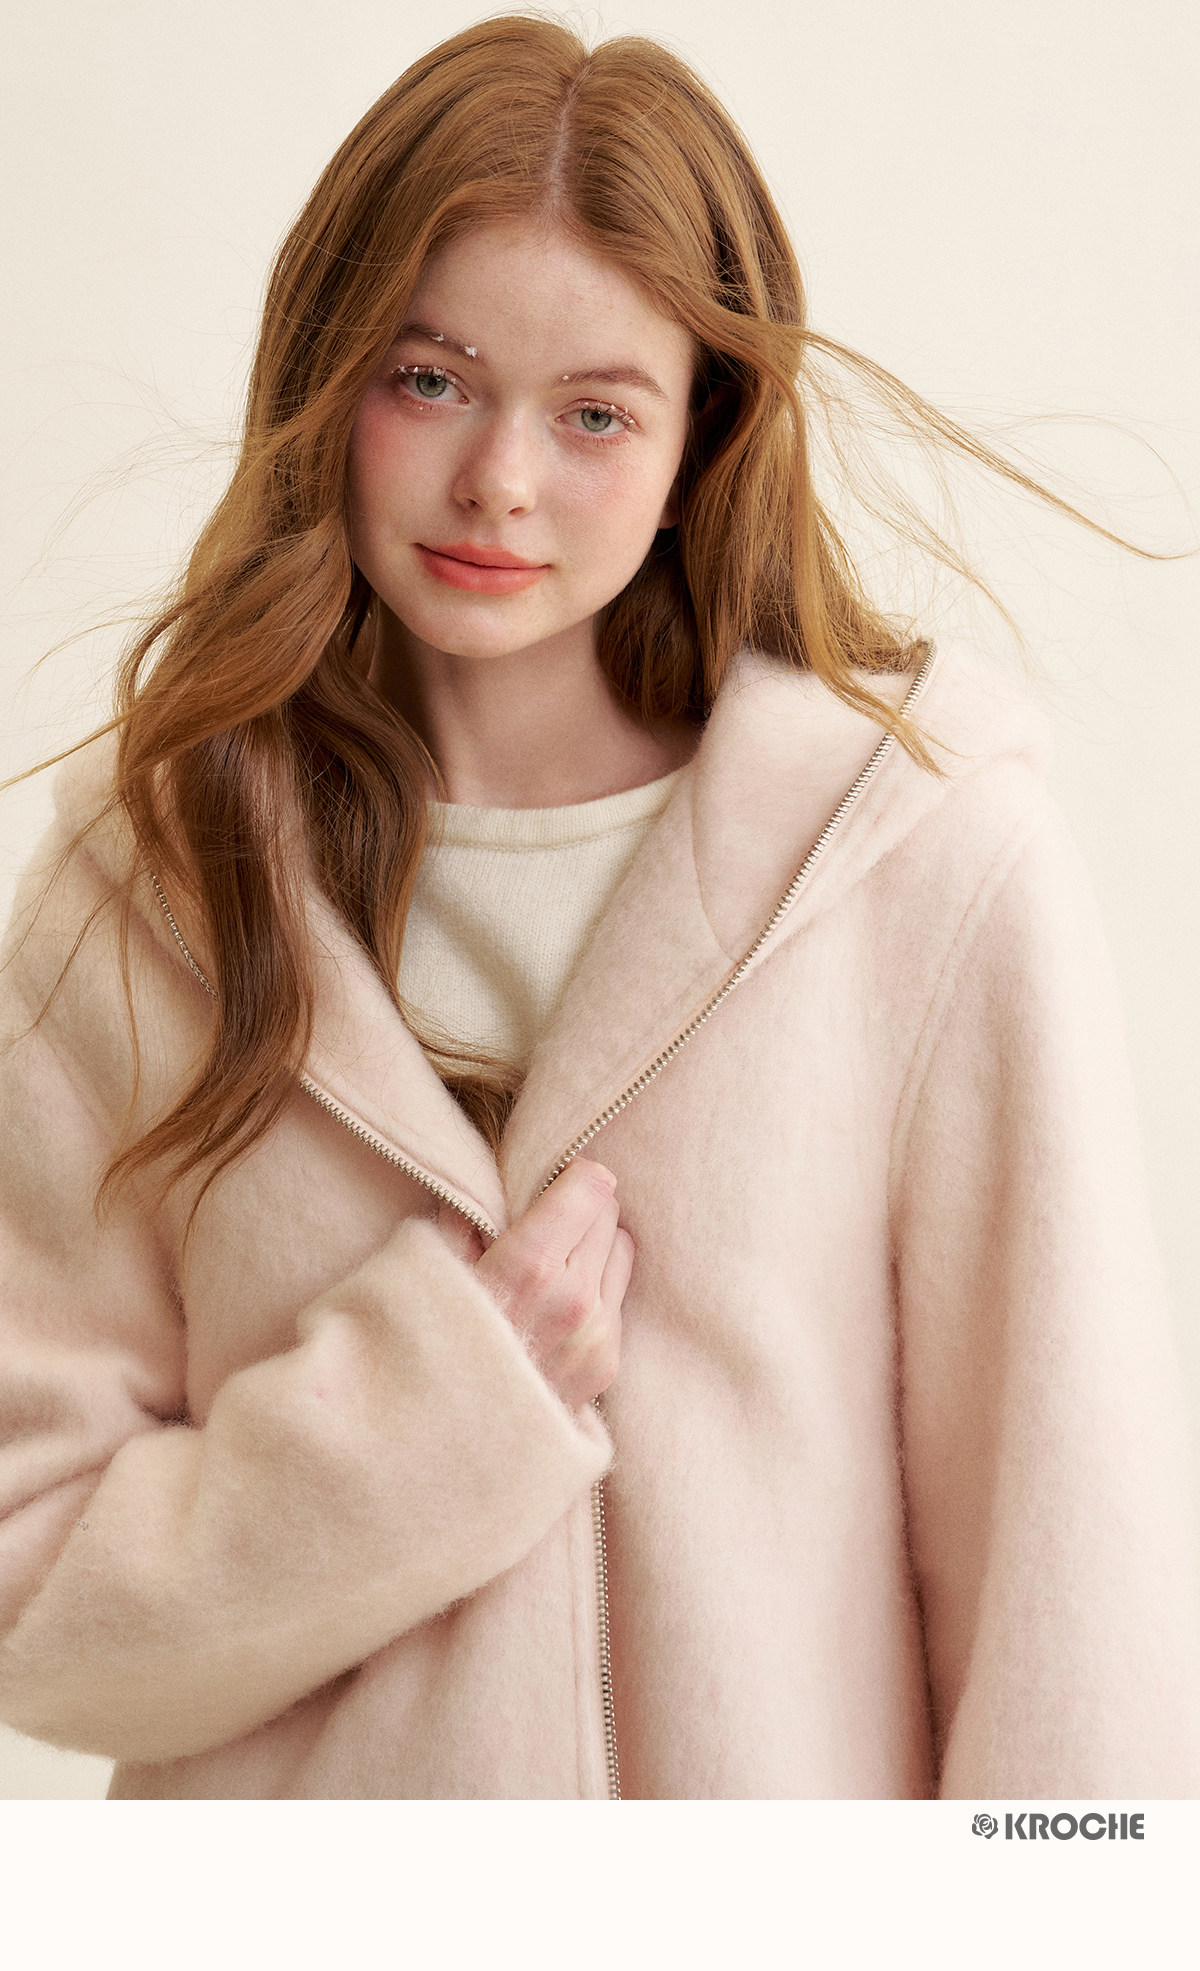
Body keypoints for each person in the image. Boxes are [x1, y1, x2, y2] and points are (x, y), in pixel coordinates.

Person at [0, 15, 1197, 1801]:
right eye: (431, 381)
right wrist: (436, 1415)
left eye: (594, 413)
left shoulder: (926, 869)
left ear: (701, 439)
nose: (501, 478)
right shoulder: (151, 885)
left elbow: (1070, 1588)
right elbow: (32, 1596)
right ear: (328, 379)